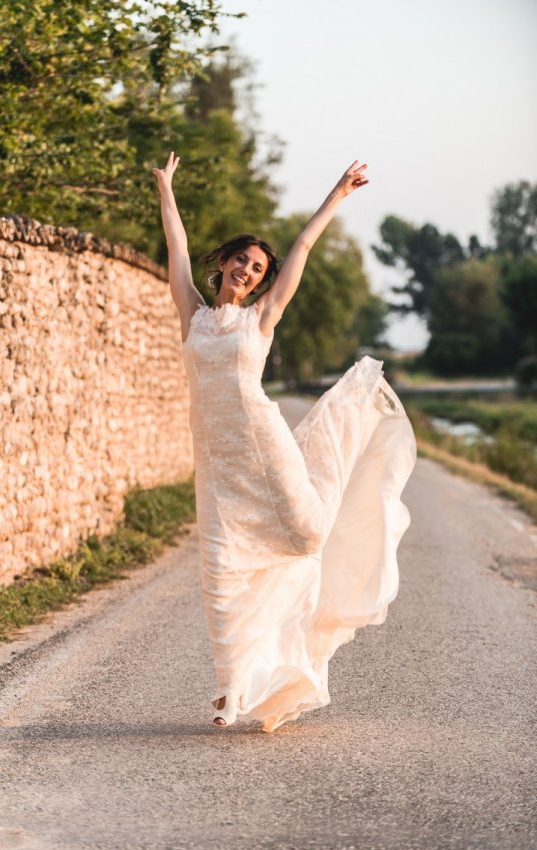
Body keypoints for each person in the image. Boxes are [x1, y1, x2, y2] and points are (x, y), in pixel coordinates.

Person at [153, 152, 417, 732]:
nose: (247, 272)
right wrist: (166, 189)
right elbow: (175, 250)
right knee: (220, 571)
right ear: (222, 264)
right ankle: (230, 690)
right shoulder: (192, 314)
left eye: (256, 269)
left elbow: (299, 251)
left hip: (266, 451)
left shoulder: (261, 320)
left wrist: (337, 195)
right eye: (240, 262)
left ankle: (296, 641)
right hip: (219, 468)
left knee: (308, 535)